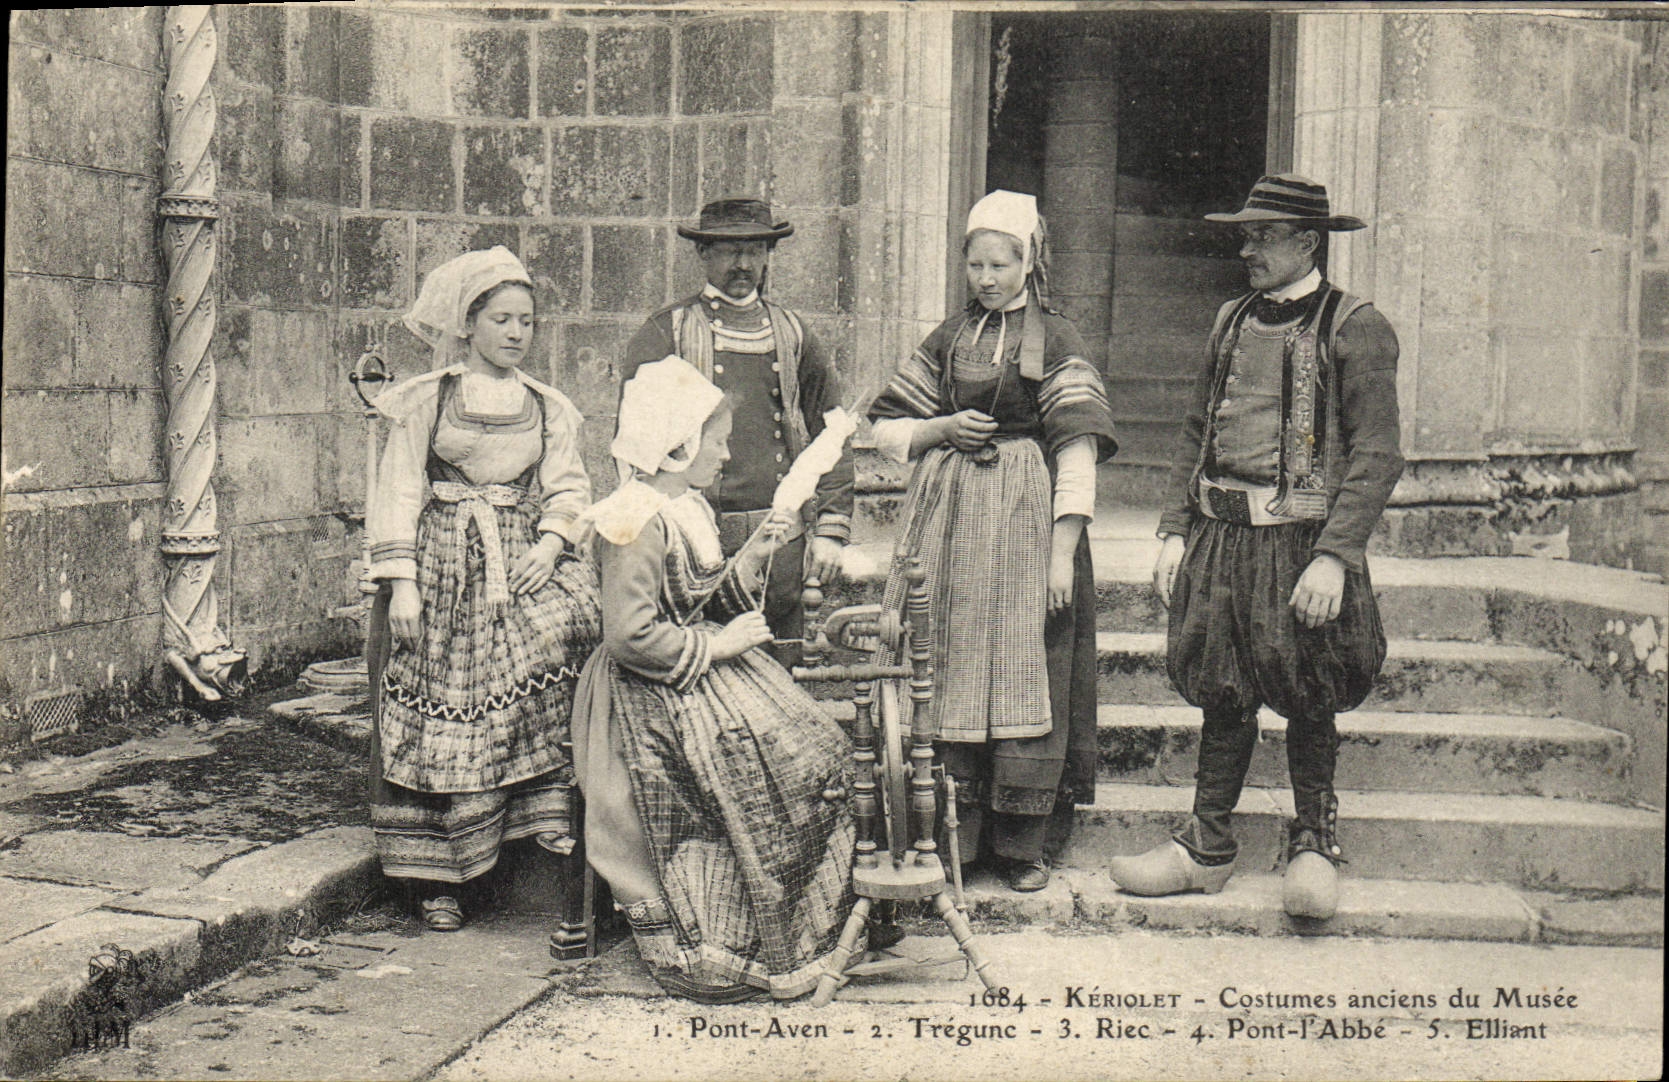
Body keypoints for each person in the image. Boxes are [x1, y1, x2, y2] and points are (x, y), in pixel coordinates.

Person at [1107, 175, 1405, 920]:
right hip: (1220, 536)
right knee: (1222, 688)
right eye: (1244, 235)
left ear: (1307, 242)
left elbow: (1376, 454)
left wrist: (1335, 555)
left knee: (1309, 690)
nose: (1246, 249)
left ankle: (1311, 842)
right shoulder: (1229, 321)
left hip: (1304, 543)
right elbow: (1192, 431)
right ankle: (1205, 845)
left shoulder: (1355, 326)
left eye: (1262, 236)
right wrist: (1174, 529)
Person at [570, 355, 856, 1002]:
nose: (726, 453)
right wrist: (720, 646)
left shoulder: (685, 507)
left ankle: (809, 920)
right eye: (717, 440)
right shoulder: (631, 520)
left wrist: (753, 554)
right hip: (645, 693)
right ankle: (725, 939)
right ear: (676, 445)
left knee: (812, 748)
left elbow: (699, 597)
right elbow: (631, 635)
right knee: (748, 768)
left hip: (696, 670)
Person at [867, 190, 1118, 894]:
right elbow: (883, 427)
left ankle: (1021, 846)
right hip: (951, 524)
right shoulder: (949, 337)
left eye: (999, 265)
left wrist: (1061, 553)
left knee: (1028, 663)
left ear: (1027, 263)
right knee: (946, 663)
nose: (985, 278)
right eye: (974, 265)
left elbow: (1076, 451)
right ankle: (956, 840)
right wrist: (938, 430)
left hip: (1025, 520)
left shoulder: (1057, 340)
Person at [364, 247, 602, 932]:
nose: (516, 333)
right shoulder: (426, 400)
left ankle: (538, 832)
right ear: (467, 325)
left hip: (520, 556)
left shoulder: (546, 406)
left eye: (526, 321)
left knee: (569, 639)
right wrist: (402, 586)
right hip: (442, 565)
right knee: (445, 707)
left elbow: (568, 486)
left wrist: (553, 543)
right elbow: (400, 489)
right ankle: (436, 877)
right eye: (501, 319)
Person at [619, 198, 852, 667]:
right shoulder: (668, 331)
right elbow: (634, 445)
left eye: (754, 251)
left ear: (768, 255)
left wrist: (829, 529)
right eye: (728, 251)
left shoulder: (793, 333)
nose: (743, 264)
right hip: (693, 544)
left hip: (778, 540)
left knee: (777, 678)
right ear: (703, 253)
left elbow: (834, 432)